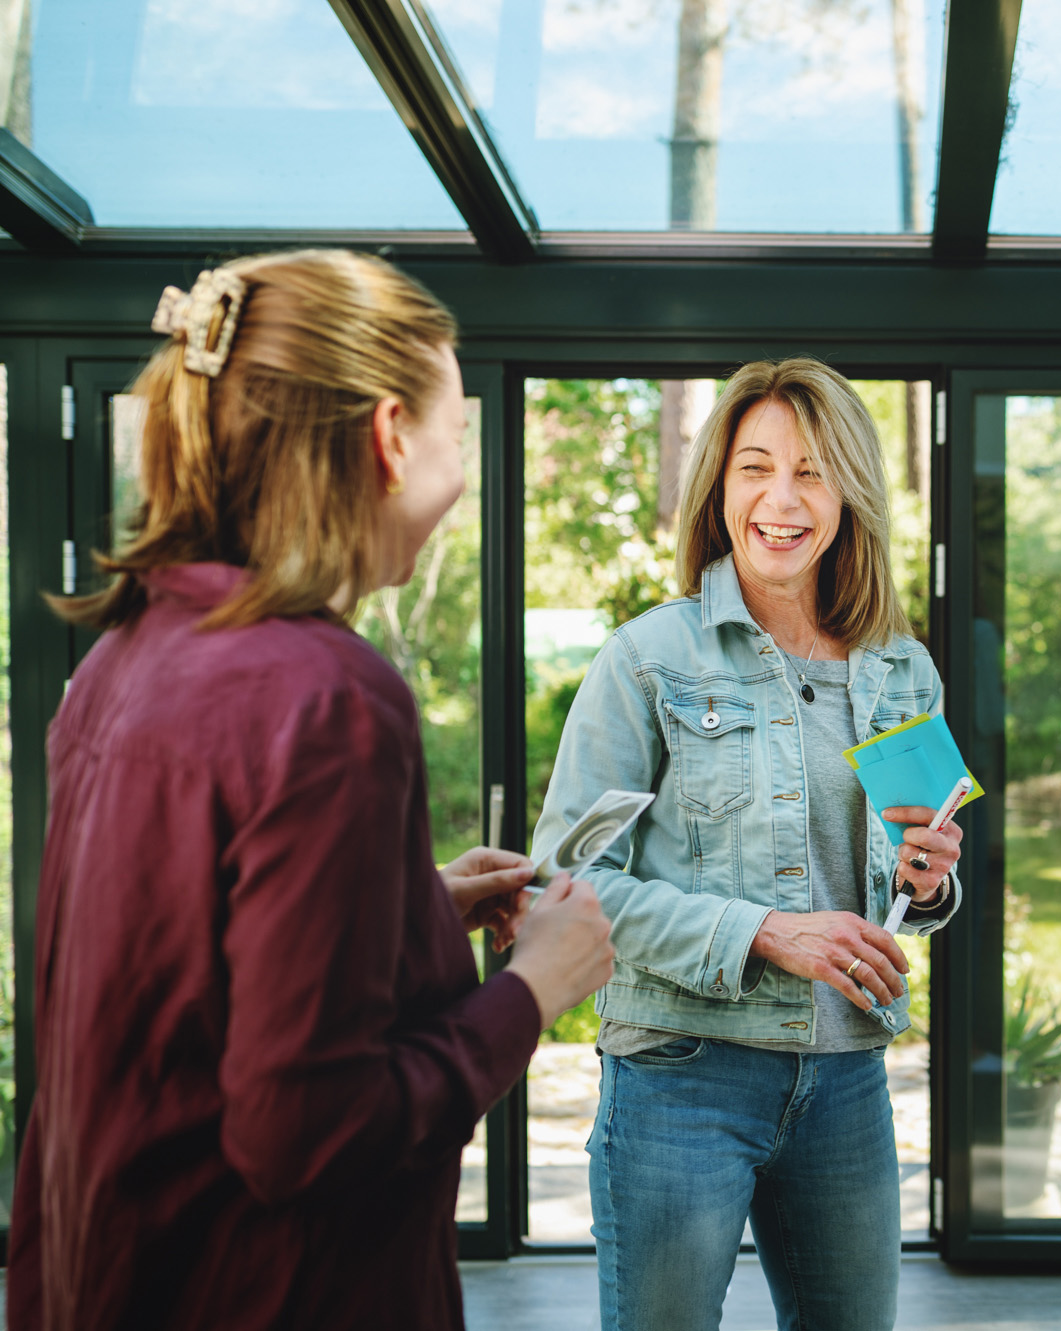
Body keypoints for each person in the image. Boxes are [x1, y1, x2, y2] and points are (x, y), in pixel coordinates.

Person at [6, 251, 617, 1331]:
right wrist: (535, 985)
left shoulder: (127, 653)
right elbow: (306, 1130)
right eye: (460, 434)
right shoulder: (325, 694)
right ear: (389, 437)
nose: (463, 468)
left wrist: (416, 903)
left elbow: (180, 977)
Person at [535, 357, 963, 1331]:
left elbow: (911, 880)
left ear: (849, 489)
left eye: (811, 470)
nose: (781, 498)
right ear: (717, 488)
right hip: (680, 1078)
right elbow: (568, 883)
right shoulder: (645, 659)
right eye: (754, 467)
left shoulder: (902, 669)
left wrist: (926, 881)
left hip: (846, 1075)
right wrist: (766, 930)